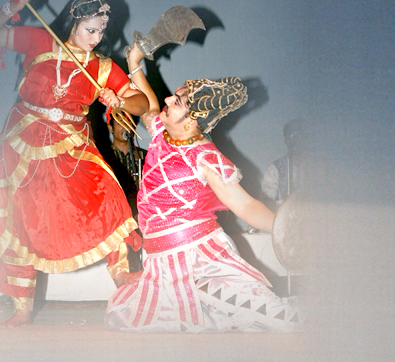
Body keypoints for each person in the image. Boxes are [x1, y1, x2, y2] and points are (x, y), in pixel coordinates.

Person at [0, 0, 154, 325]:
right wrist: (11, 7)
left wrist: (120, 101)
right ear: (73, 22)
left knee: (108, 196)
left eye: (101, 31)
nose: (95, 38)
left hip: (72, 146)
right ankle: (21, 309)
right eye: (90, 30)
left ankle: (122, 275)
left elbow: (142, 103)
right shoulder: (41, 41)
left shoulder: (102, 67)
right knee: (23, 221)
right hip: (25, 146)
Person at [104, 73, 299, 333]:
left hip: (201, 261)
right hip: (161, 264)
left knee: (280, 320)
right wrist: (134, 63)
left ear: (191, 122)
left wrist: (285, 227)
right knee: (127, 318)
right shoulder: (162, 134)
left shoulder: (205, 156)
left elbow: (245, 205)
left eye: (177, 102)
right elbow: (150, 105)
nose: (167, 100)